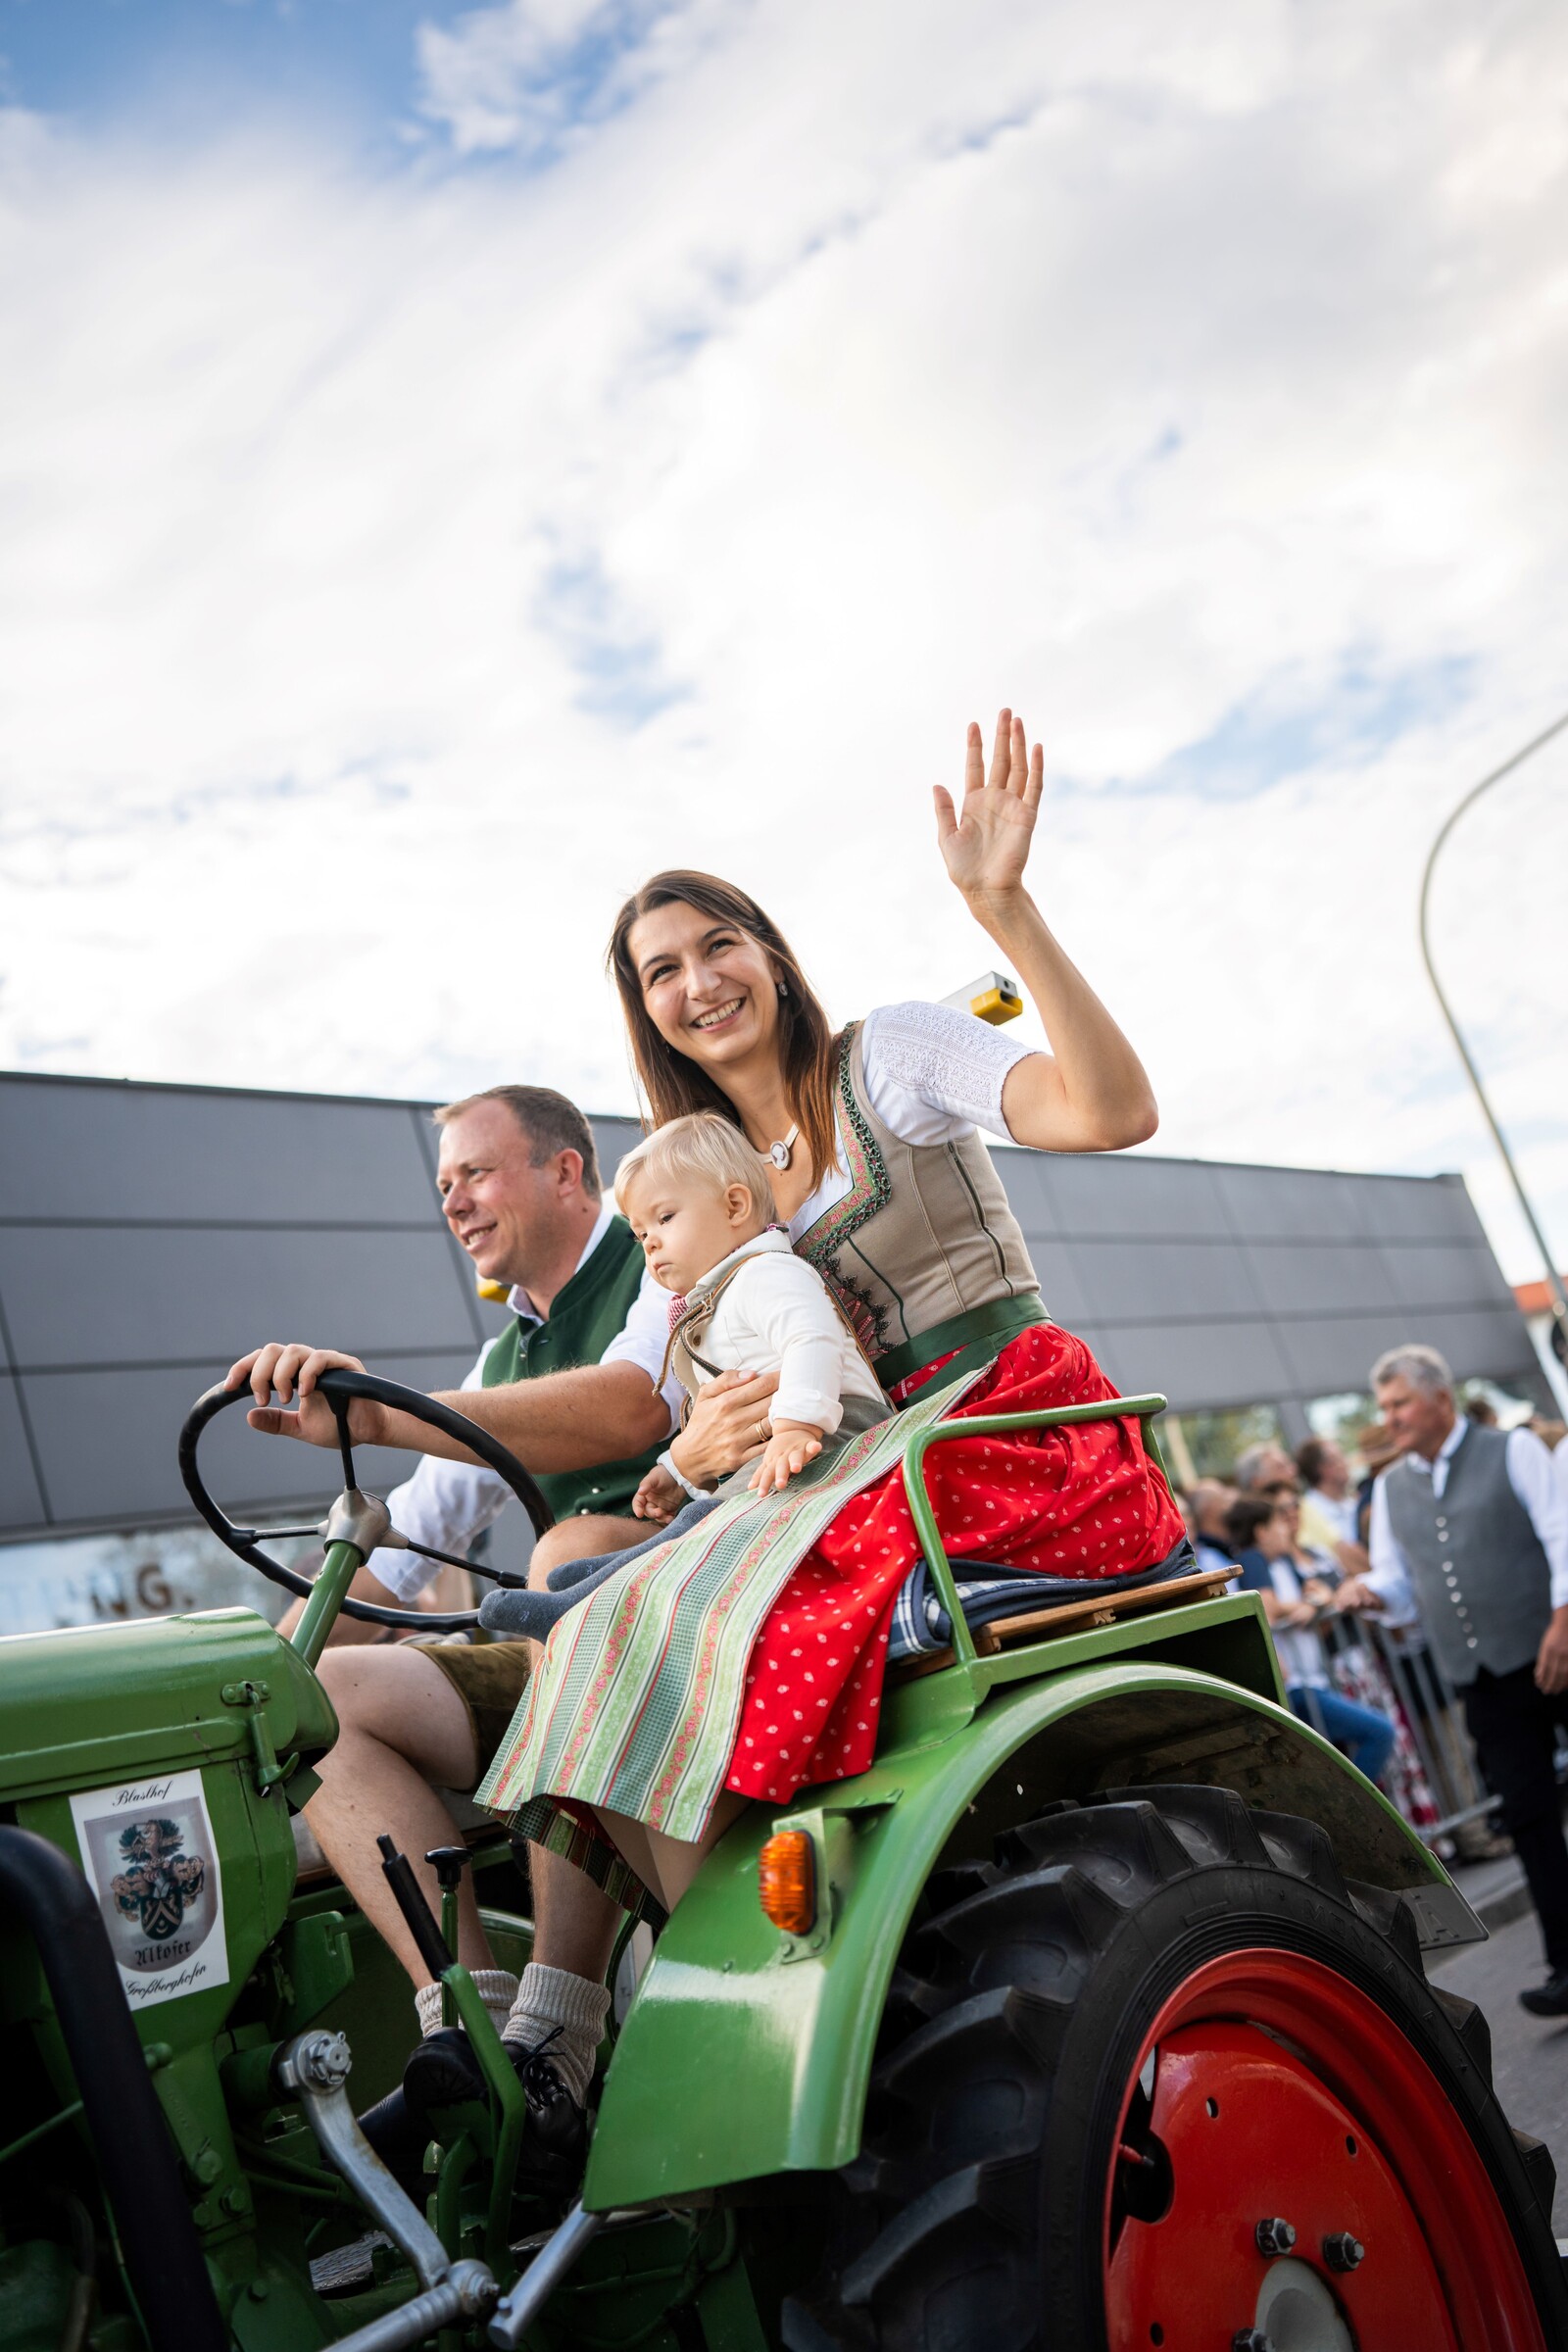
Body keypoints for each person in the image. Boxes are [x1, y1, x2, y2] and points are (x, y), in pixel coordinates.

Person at [230, 706, 1188, 2145]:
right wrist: (383, 1412)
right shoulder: (685, 1186)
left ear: (772, 957)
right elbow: (632, 1399)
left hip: (993, 1437)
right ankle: (646, 2007)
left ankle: (752, 2001)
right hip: (849, 1472)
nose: (698, 982)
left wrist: (1005, 909)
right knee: (588, 1612)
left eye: (716, 945)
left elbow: (1110, 1112)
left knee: (619, 1599)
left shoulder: (893, 1058)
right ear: (644, 1012)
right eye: (660, 971)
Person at [477, 1112, 890, 1642]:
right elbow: (715, 1411)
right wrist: (676, 1470)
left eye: (665, 1218)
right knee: (698, 1527)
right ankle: (592, 1589)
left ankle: (582, 1597)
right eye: (640, 1234)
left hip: (838, 1440)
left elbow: (812, 1339)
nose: (650, 1243)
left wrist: (796, 1426)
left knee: (701, 1533)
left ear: (735, 1206)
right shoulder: (714, 1304)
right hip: (784, 1457)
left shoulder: (765, 1274)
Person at [1341, 1344, 1568, 2018]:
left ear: (1440, 1398)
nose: (1390, 1418)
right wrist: (1370, 1593)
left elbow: (1562, 1536)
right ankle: (1566, 1964)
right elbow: (1398, 1580)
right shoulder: (1390, 1488)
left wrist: (1563, 1621)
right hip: (1483, 1677)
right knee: (1528, 1815)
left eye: (1400, 1403)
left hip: (1553, 1644)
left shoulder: (1513, 1449)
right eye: (1384, 1406)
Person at [1226, 1494, 1395, 1784]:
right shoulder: (1252, 1559)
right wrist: (1301, 1606)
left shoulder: (1281, 1563)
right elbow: (1268, 1607)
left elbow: (1320, 1593)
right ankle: (1347, 1804)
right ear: (1261, 1532)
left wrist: (1313, 1604)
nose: (1286, 1531)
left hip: (1311, 1682)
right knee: (1379, 1732)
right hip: (1296, 1686)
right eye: (1278, 1524)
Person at [1295, 1437, 1372, 1577]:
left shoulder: (1354, 1502)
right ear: (1324, 1469)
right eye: (1338, 1458)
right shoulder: (1304, 1513)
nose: (1346, 1463)